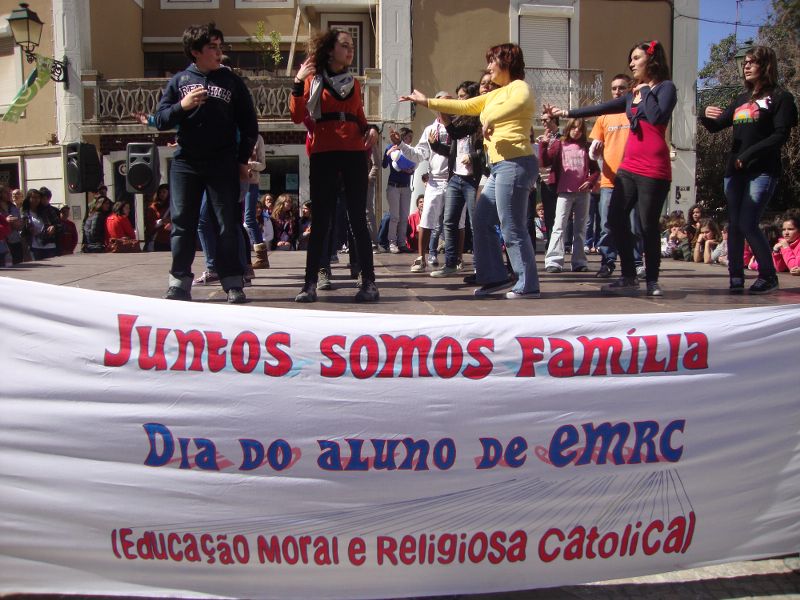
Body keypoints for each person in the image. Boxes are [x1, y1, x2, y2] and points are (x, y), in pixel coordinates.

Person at [401, 43, 541, 299]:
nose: (488, 67)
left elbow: (520, 102)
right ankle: (494, 277)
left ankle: (528, 284)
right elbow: (463, 107)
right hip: (499, 167)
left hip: (517, 162)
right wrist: (426, 102)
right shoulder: (493, 95)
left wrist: (490, 119)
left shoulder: (518, 87)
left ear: (506, 63)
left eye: (492, 61)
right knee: (482, 220)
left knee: (512, 226)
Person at [546, 40, 678, 297]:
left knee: (647, 225)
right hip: (628, 165)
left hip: (654, 166)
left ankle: (652, 279)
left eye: (636, 58)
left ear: (651, 61)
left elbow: (656, 117)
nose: (631, 63)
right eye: (630, 59)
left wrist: (646, 91)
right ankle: (628, 275)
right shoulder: (632, 95)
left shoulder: (666, 88)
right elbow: (601, 108)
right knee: (614, 219)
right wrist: (567, 112)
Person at [154, 22, 258, 304]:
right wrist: (182, 106)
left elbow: (249, 124)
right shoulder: (179, 81)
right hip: (186, 162)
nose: (218, 52)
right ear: (195, 51)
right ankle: (179, 282)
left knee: (226, 223)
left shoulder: (231, 81)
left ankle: (233, 282)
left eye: (220, 46)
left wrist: (241, 159)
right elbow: (161, 119)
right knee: (182, 223)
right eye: (212, 47)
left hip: (222, 162)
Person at [290, 28, 380, 303]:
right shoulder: (312, 79)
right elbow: (296, 116)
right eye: (345, 45)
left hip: (354, 152)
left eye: (352, 46)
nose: (350, 50)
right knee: (322, 221)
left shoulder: (354, 83)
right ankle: (310, 284)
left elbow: (359, 116)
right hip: (324, 152)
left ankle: (369, 283)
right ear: (330, 50)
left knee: (358, 219)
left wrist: (372, 129)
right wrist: (297, 82)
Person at [700, 44, 798, 294]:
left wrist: (749, 154)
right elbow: (716, 126)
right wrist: (704, 114)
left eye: (752, 62)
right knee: (734, 224)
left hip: (762, 171)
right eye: (745, 62)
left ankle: (768, 276)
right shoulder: (742, 99)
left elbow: (780, 135)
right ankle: (735, 278)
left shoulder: (780, 97)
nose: (746, 66)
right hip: (735, 173)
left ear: (765, 66)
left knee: (748, 222)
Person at [428, 81, 485, 279]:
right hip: (455, 178)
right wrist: (435, 146)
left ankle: (480, 266)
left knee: (475, 223)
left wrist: (474, 157)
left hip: (473, 180)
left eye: (462, 96)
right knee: (449, 222)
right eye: (458, 96)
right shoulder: (458, 121)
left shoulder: (478, 120)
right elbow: (451, 151)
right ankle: (451, 263)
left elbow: (485, 150)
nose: (459, 100)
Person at [391, 93, 453, 273]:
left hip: (454, 181)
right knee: (426, 220)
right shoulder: (429, 130)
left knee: (456, 222)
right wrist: (401, 144)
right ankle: (422, 258)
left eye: (450, 102)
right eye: (442, 102)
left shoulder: (458, 127)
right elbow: (418, 155)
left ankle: (455, 259)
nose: (446, 105)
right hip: (435, 182)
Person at [586, 73, 634, 278]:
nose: (617, 92)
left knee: (633, 225)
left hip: (632, 178)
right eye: (614, 88)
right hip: (608, 178)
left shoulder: (634, 112)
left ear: (629, 89)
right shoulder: (604, 116)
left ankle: (636, 263)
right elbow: (594, 149)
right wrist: (594, 153)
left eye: (621, 88)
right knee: (607, 224)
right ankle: (607, 262)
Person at [540, 117, 600, 273]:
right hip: (564, 192)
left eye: (580, 129)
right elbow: (545, 161)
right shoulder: (560, 144)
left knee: (580, 228)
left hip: (583, 193)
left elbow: (595, 170)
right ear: (568, 128)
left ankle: (579, 261)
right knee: (559, 225)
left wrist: (590, 181)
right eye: (573, 128)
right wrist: (544, 143)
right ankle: (554, 261)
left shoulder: (586, 147)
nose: (576, 131)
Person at [382, 127, 415, 254]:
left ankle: (402, 243)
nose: (411, 139)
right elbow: (384, 165)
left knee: (403, 216)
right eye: (408, 137)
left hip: (406, 187)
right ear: (402, 137)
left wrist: (411, 170)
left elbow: (414, 164)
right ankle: (392, 243)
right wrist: (388, 152)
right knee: (394, 216)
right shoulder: (392, 147)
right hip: (394, 186)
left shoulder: (409, 150)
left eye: (411, 137)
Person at [243, 134, 269, 269]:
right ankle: (240, 255)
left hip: (251, 182)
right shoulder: (231, 132)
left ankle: (261, 257)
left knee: (249, 217)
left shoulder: (257, 138)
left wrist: (248, 164)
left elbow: (262, 165)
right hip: (233, 182)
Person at [21, 189, 58, 260]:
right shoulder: (25, 213)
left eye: (38, 197)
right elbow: (22, 231)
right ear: (29, 199)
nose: (36, 200)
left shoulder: (47, 210)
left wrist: (54, 227)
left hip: (49, 245)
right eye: (34, 197)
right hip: (34, 246)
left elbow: (59, 224)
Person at [0, 186, 24, 264]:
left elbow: (20, 223)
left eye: (9, 192)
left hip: (14, 239)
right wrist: (6, 221)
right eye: (6, 193)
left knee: (18, 262)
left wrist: (18, 224)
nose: (9, 195)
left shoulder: (13, 207)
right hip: (2, 242)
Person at [144, 184, 172, 252]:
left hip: (171, 239)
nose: (161, 194)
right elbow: (150, 225)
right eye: (160, 192)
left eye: (164, 192)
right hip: (158, 240)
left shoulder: (173, 206)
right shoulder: (153, 207)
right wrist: (162, 221)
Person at [772, 210, 800, 275]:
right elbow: (780, 268)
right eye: (784, 230)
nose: (786, 233)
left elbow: (794, 268)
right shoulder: (785, 243)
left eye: (790, 229)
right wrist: (776, 252)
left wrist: (786, 248)